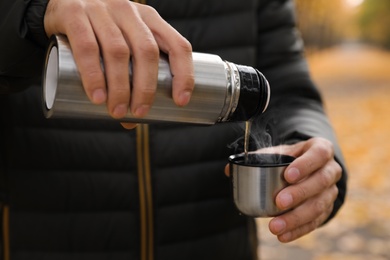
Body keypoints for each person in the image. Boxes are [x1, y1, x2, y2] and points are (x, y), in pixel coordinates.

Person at [0, 0, 347, 259]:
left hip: (213, 245)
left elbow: (286, 88)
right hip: (38, 239)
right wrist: (31, 11)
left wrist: (309, 151)